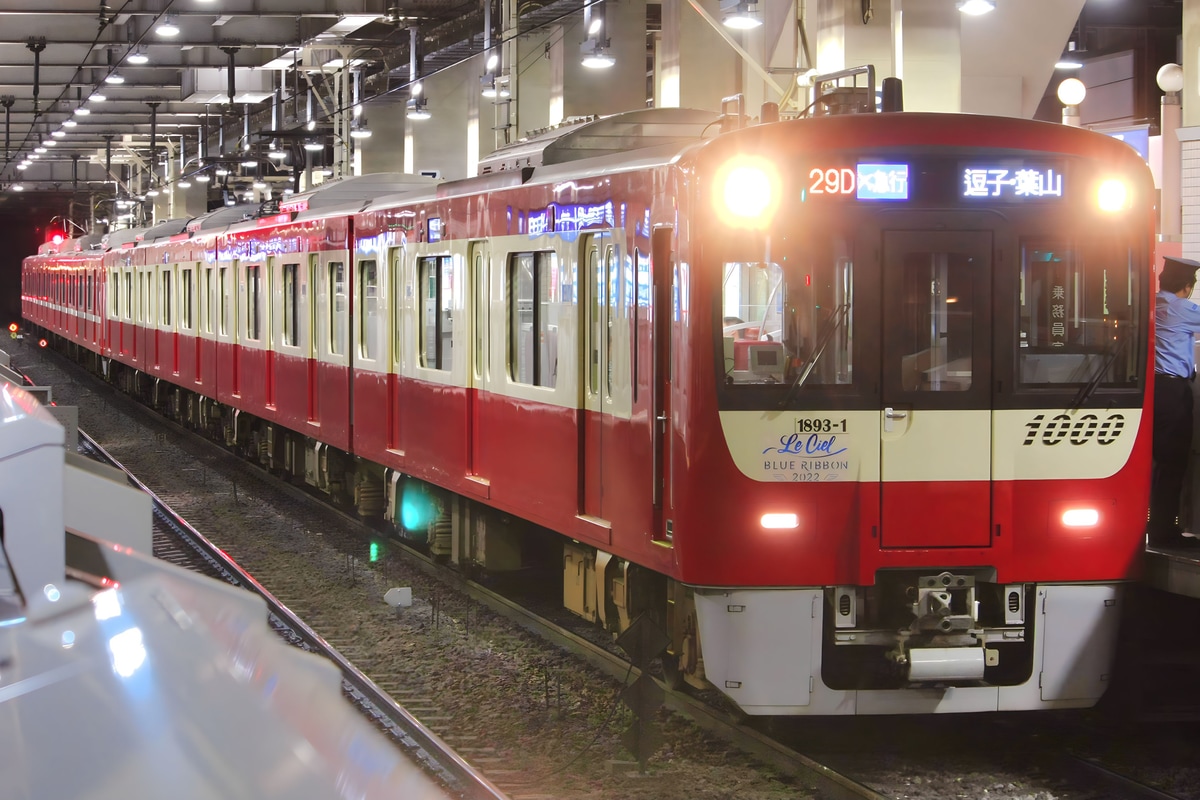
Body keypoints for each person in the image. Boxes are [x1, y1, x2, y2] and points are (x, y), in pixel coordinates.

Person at [1148, 255, 1200, 549]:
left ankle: (1156, 526)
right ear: (1188, 286)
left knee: (1157, 462)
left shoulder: (1154, 302)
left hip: (1154, 390)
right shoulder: (1181, 307)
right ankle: (1164, 532)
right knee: (1172, 463)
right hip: (1173, 393)